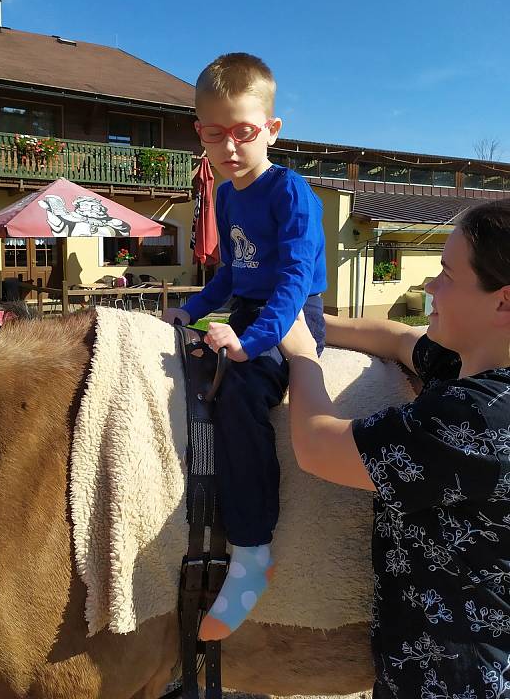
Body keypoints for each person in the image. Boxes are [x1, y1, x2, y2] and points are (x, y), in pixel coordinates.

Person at [279, 198, 510, 699]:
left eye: (447, 274)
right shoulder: (468, 366)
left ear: (503, 302)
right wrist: (311, 322)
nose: (430, 287)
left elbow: (318, 446)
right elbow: (397, 338)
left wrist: (302, 357)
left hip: (454, 680)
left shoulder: (476, 418)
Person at [162, 52, 327, 640]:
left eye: (243, 133)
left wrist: (251, 343)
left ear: (271, 130)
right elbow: (232, 273)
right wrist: (193, 308)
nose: (229, 147)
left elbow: (290, 282)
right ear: (199, 134)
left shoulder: (293, 193)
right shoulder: (227, 196)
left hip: (292, 318)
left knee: (241, 395)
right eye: (214, 134)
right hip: (251, 311)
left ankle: (253, 552)